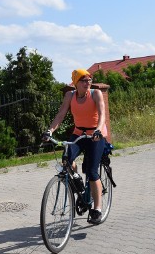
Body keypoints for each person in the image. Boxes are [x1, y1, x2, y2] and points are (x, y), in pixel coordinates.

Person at [43, 68, 108, 224]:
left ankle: (97, 209)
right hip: (79, 133)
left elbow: (102, 114)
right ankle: (77, 179)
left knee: (92, 171)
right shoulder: (69, 95)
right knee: (66, 159)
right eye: (84, 80)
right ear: (76, 83)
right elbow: (60, 115)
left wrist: (98, 129)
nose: (88, 83)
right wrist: (49, 131)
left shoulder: (95, 94)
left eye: (89, 80)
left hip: (95, 135)